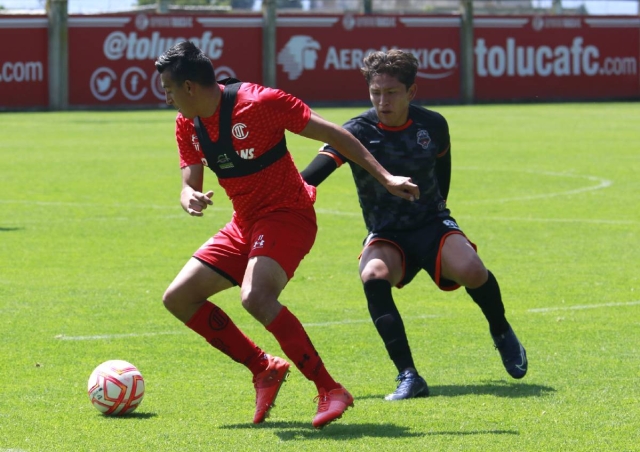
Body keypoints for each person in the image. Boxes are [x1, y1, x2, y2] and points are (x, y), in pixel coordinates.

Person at [154, 41, 419, 427]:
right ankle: (263, 368)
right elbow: (191, 173)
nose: (167, 100)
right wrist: (187, 192)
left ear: (190, 87)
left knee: (256, 296)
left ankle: (330, 388)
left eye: (169, 91)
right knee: (178, 298)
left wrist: (386, 177)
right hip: (244, 224)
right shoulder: (187, 123)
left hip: (287, 215)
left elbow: (336, 135)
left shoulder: (260, 103)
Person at [300, 49, 527, 401]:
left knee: (472, 269)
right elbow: (314, 175)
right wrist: (291, 190)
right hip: (387, 234)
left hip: (431, 225)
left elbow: (443, 172)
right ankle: (408, 375)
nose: (382, 101)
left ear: (411, 92)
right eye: (375, 93)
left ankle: (501, 330)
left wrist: (438, 213)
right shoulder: (355, 131)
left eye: (391, 93)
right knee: (372, 275)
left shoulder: (433, 124)